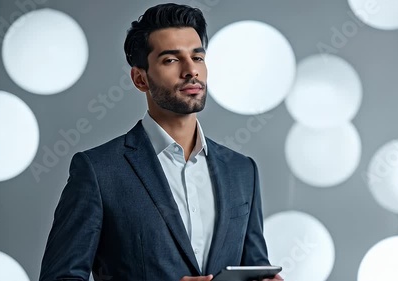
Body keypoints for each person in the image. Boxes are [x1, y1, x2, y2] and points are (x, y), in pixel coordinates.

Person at [39, 3, 283, 281]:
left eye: (198, 57)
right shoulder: (98, 171)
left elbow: (253, 266)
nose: (191, 70)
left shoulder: (242, 171)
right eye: (171, 60)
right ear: (140, 79)